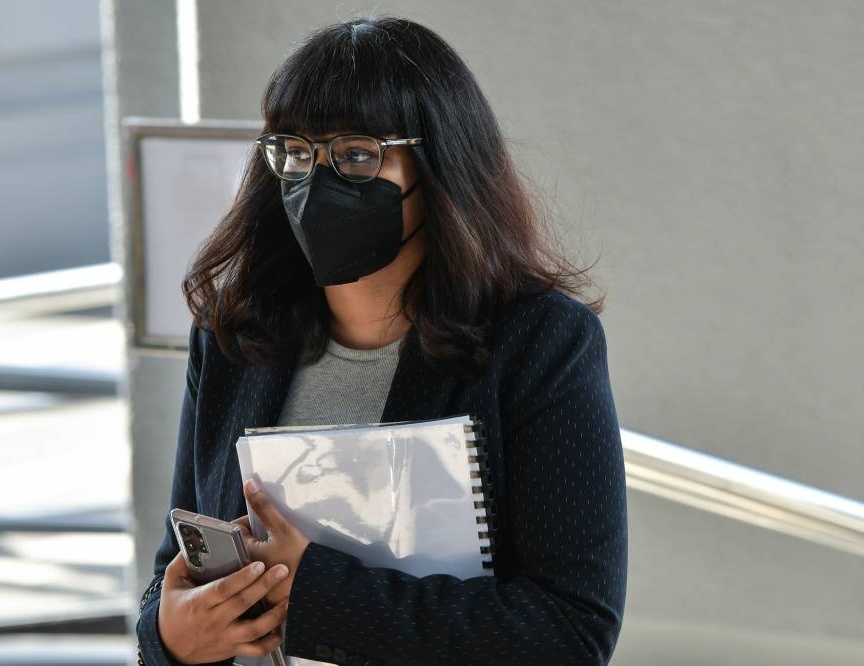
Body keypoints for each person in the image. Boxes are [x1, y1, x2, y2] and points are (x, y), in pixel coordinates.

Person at [135, 14, 628, 666]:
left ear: (439, 163)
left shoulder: (540, 342)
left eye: (358, 155)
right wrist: (168, 638)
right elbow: (177, 568)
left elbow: (571, 632)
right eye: (296, 153)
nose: (317, 182)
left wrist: (316, 593)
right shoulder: (237, 336)